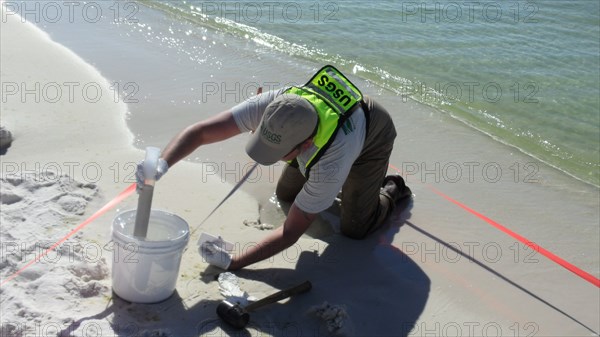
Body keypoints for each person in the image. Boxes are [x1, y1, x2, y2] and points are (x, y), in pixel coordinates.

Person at [136, 65, 411, 270]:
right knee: (285, 195)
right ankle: (342, 191)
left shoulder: (330, 162)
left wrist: (234, 261)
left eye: (276, 153)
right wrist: (162, 163)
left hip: (372, 136)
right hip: (323, 130)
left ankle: (389, 189)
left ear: (304, 147)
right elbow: (199, 132)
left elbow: (291, 232)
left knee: (355, 229)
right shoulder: (275, 106)